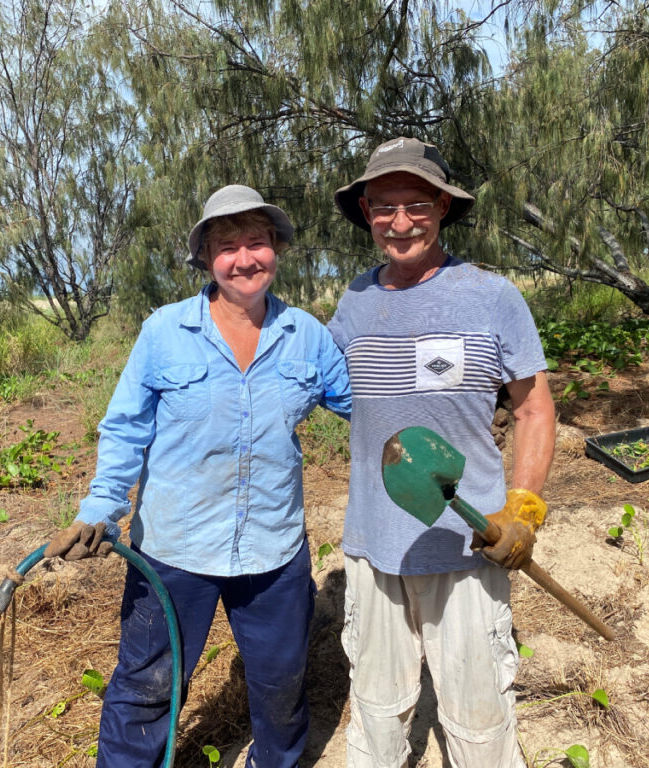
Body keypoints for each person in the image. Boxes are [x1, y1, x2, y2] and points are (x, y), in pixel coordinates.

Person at [45, 185, 351, 768]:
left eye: (257, 242)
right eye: (227, 246)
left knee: (281, 689)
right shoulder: (165, 331)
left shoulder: (307, 336)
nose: (245, 259)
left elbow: (363, 405)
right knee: (147, 687)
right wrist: (101, 507)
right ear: (207, 258)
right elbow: (125, 428)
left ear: (277, 248)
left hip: (273, 550)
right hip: (175, 549)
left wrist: (449, 405)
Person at [326, 137, 556, 768]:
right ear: (367, 212)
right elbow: (317, 382)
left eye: (417, 205)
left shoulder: (493, 296)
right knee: (377, 711)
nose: (400, 222)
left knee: (478, 720)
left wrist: (523, 509)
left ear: (443, 208)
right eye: (384, 206)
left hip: (467, 543)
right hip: (373, 544)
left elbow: (534, 408)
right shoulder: (354, 302)